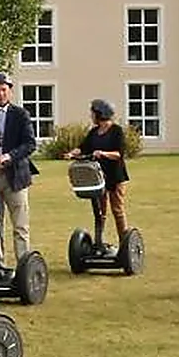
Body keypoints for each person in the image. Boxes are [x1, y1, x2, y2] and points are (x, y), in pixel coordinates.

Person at [0, 71, 38, 261]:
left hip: (15, 176)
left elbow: (30, 144)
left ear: (10, 91)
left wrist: (9, 156)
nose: (1, 94)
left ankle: (24, 266)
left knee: (20, 225)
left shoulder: (21, 114)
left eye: (4, 90)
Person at [64, 99, 130, 255]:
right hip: (98, 177)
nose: (91, 115)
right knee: (100, 211)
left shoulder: (116, 131)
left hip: (115, 176)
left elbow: (119, 154)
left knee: (117, 210)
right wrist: (72, 153)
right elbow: (83, 147)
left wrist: (103, 153)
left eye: (93, 112)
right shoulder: (94, 132)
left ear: (101, 114)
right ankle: (99, 243)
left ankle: (125, 245)